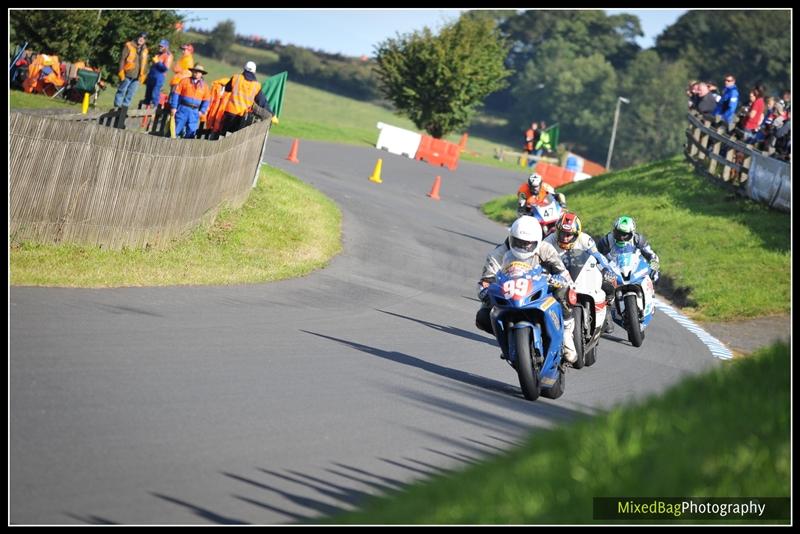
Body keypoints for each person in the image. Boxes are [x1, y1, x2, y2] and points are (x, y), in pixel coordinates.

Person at [475, 215, 578, 364]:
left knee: (564, 293)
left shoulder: (546, 249)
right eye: (518, 242)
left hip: (540, 291)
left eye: (528, 244)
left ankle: (567, 335)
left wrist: (560, 280)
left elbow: (563, 273)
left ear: (537, 241)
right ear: (511, 238)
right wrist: (485, 291)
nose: (523, 247)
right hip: (509, 292)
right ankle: (508, 342)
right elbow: (485, 280)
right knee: (483, 317)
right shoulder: (498, 253)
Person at [544, 211, 620, 333]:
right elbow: (540, 261)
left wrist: (605, 270)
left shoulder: (585, 240)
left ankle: (607, 310)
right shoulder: (548, 241)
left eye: (569, 235)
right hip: (559, 275)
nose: (564, 237)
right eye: (562, 233)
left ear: (576, 234)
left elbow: (597, 257)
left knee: (607, 282)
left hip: (583, 271)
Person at [596, 215, 661, 287]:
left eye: (625, 234)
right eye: (618, 233)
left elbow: (652, 256)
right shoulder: (606, 240)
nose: (621, 237)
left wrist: (654, 270)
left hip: (635, 271)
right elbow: (597, 256)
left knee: (653, 278)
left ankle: (648, 295)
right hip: (614, 273)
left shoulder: (638, 240)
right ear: (614, 231)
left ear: (632, 233)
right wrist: (602, 269)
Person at [218, 61, 274, 135]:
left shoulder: (236, 77)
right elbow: (262, 102)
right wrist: (271, 113)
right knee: (236, 137)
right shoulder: (256, 85)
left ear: (244, 69)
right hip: (243, 116)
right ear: (254, 72)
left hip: (230, 113)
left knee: (223, 136)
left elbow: (227, 88)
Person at [169, 64, 212, 139]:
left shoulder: (205, 86)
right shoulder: (184, 81)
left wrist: (202, 111)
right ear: (192, 71)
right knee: (175, 130)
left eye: (199, 72)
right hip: (182, 109)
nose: (196, 73)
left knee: (191, 132)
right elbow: (176, 94)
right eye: (195, 71)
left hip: (194, 112)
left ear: (201, 74)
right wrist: (174, 107)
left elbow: (207, 100)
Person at [114, 32, 149, 109]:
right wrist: (121, 71)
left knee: (131, 93)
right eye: (140, 37)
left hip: (137, 76)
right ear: (137, 37)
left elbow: (145, 63)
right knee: (121, 91)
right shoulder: (129, 45)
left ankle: (124, 109)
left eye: (144, 38)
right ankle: (116, 107)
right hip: (127, 73)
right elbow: (122, 59)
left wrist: (144, 75)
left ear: (145, 40)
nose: (141, 39)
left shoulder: (145, 50)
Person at [143, 39, 173, 107]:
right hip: (151, 76)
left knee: (154, 95)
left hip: (159, 78)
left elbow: (165, 69)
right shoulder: (158, 53)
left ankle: (153, 112)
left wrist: (158, 62)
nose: (160, 48)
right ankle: (144, 113)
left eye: (162, 46)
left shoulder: (168, 55)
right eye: (159, 46)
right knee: (147, 95)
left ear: (166, 47)